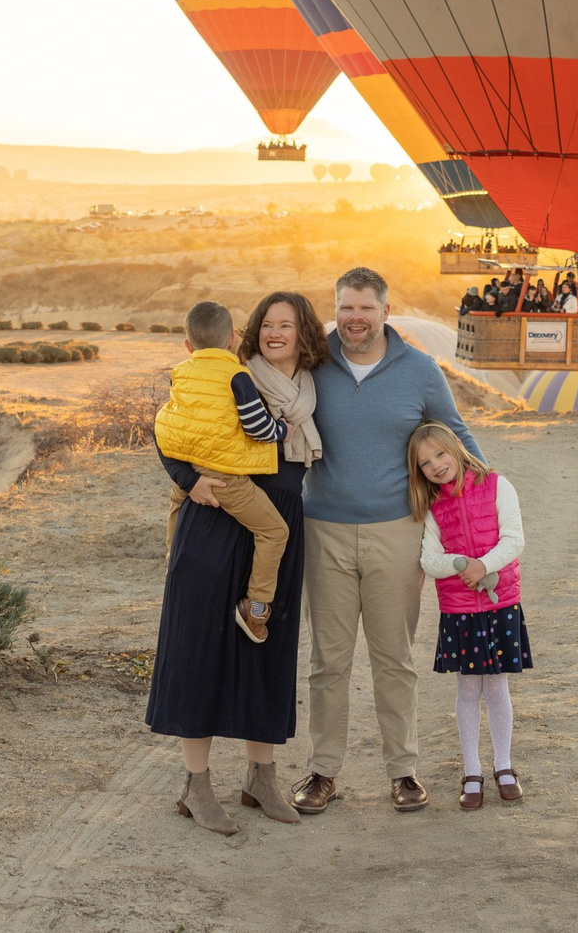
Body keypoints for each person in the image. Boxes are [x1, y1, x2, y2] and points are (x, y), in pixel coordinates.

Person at [292, 267, 482, 817]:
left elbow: (454, 432)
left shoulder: (420, 370)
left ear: (385, 312)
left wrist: (487, 487)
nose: (355, 319)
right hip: (323, 528)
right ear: (336, 310)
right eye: (346, 308)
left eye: (366, 309)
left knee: (394, 658)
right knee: (328, 662)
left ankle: (403, 771)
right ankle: (323, 773)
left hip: (397, 533)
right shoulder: (312, 363)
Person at [148, 293, 327, 833]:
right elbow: (169, 433)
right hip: (216, 518)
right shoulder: (231, 375)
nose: (274, 333)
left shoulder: (317, 388)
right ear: (244, 334)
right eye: (265, 325)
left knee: (266, 650)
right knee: (198, 647)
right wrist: (187, 480)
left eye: (286, 325)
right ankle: (196, 786)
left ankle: (261, 777)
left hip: (281, 524)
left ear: (304, 333)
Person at [151, 300, 289, 644]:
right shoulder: (237, 376)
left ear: (187, 345)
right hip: (226, 477)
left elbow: (176, 420)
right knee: (274, 532)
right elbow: (256, 425)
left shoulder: (181, 371)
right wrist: (281, 430)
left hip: (190, 468)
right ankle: (256, 607)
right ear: (232, 340)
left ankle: (173, 560)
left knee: (176, 504)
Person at [411, 421, 531, 809]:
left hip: (500, 604)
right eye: (425, 463)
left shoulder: (498, 485)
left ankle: (504, 765)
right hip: (460, 610)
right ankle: (472, 770)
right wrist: (459, 562)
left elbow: (514, 539)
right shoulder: (433, 506)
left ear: (456, 448)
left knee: (496, 686)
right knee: (467, 687)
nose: (436, 466)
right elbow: (429, 559)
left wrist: (483, 565)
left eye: (440, 454)